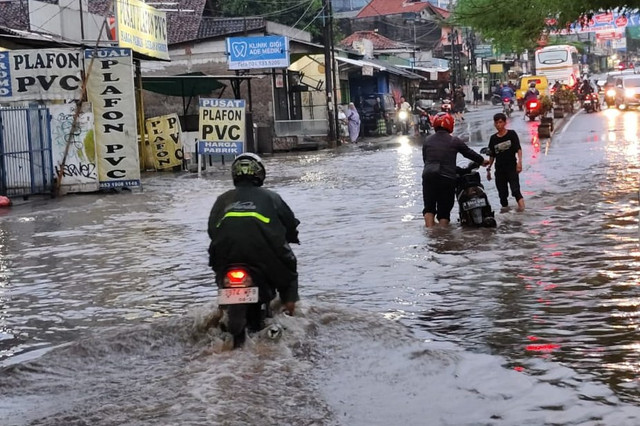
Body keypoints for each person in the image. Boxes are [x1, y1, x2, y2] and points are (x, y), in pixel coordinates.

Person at [207, 153, 300, 315]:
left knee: (218, 270)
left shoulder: (222, 199)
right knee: (289, 269)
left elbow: (211, 230)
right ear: (260, 174)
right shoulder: (272, 197)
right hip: (264, 256)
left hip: (226, 255)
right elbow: (289, 223)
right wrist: (292, 236)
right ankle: (289, 305)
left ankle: (221, 310)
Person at [421, 112, 489, 227]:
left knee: (429, 208)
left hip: (428, 177)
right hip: (446, 179)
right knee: (444, 212)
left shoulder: (427, 141)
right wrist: (482, 161)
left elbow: (426, 161)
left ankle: (431, 236)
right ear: (450, 125)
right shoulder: (454, 141)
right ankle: (442, 237)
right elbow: (469, 153)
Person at [486, 113, 525, 213]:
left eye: (500, 122)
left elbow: (518, 149)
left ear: (504, 123)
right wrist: (489, 169)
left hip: (512, 167)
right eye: (496, 123)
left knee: (516, 191)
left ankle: (523, 211)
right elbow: (492, 155)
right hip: (499, 170)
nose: (498, 125)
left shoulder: (511, 134)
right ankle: (505, 215)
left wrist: (519, 163)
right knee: (502, 195)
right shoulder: (493, 139)